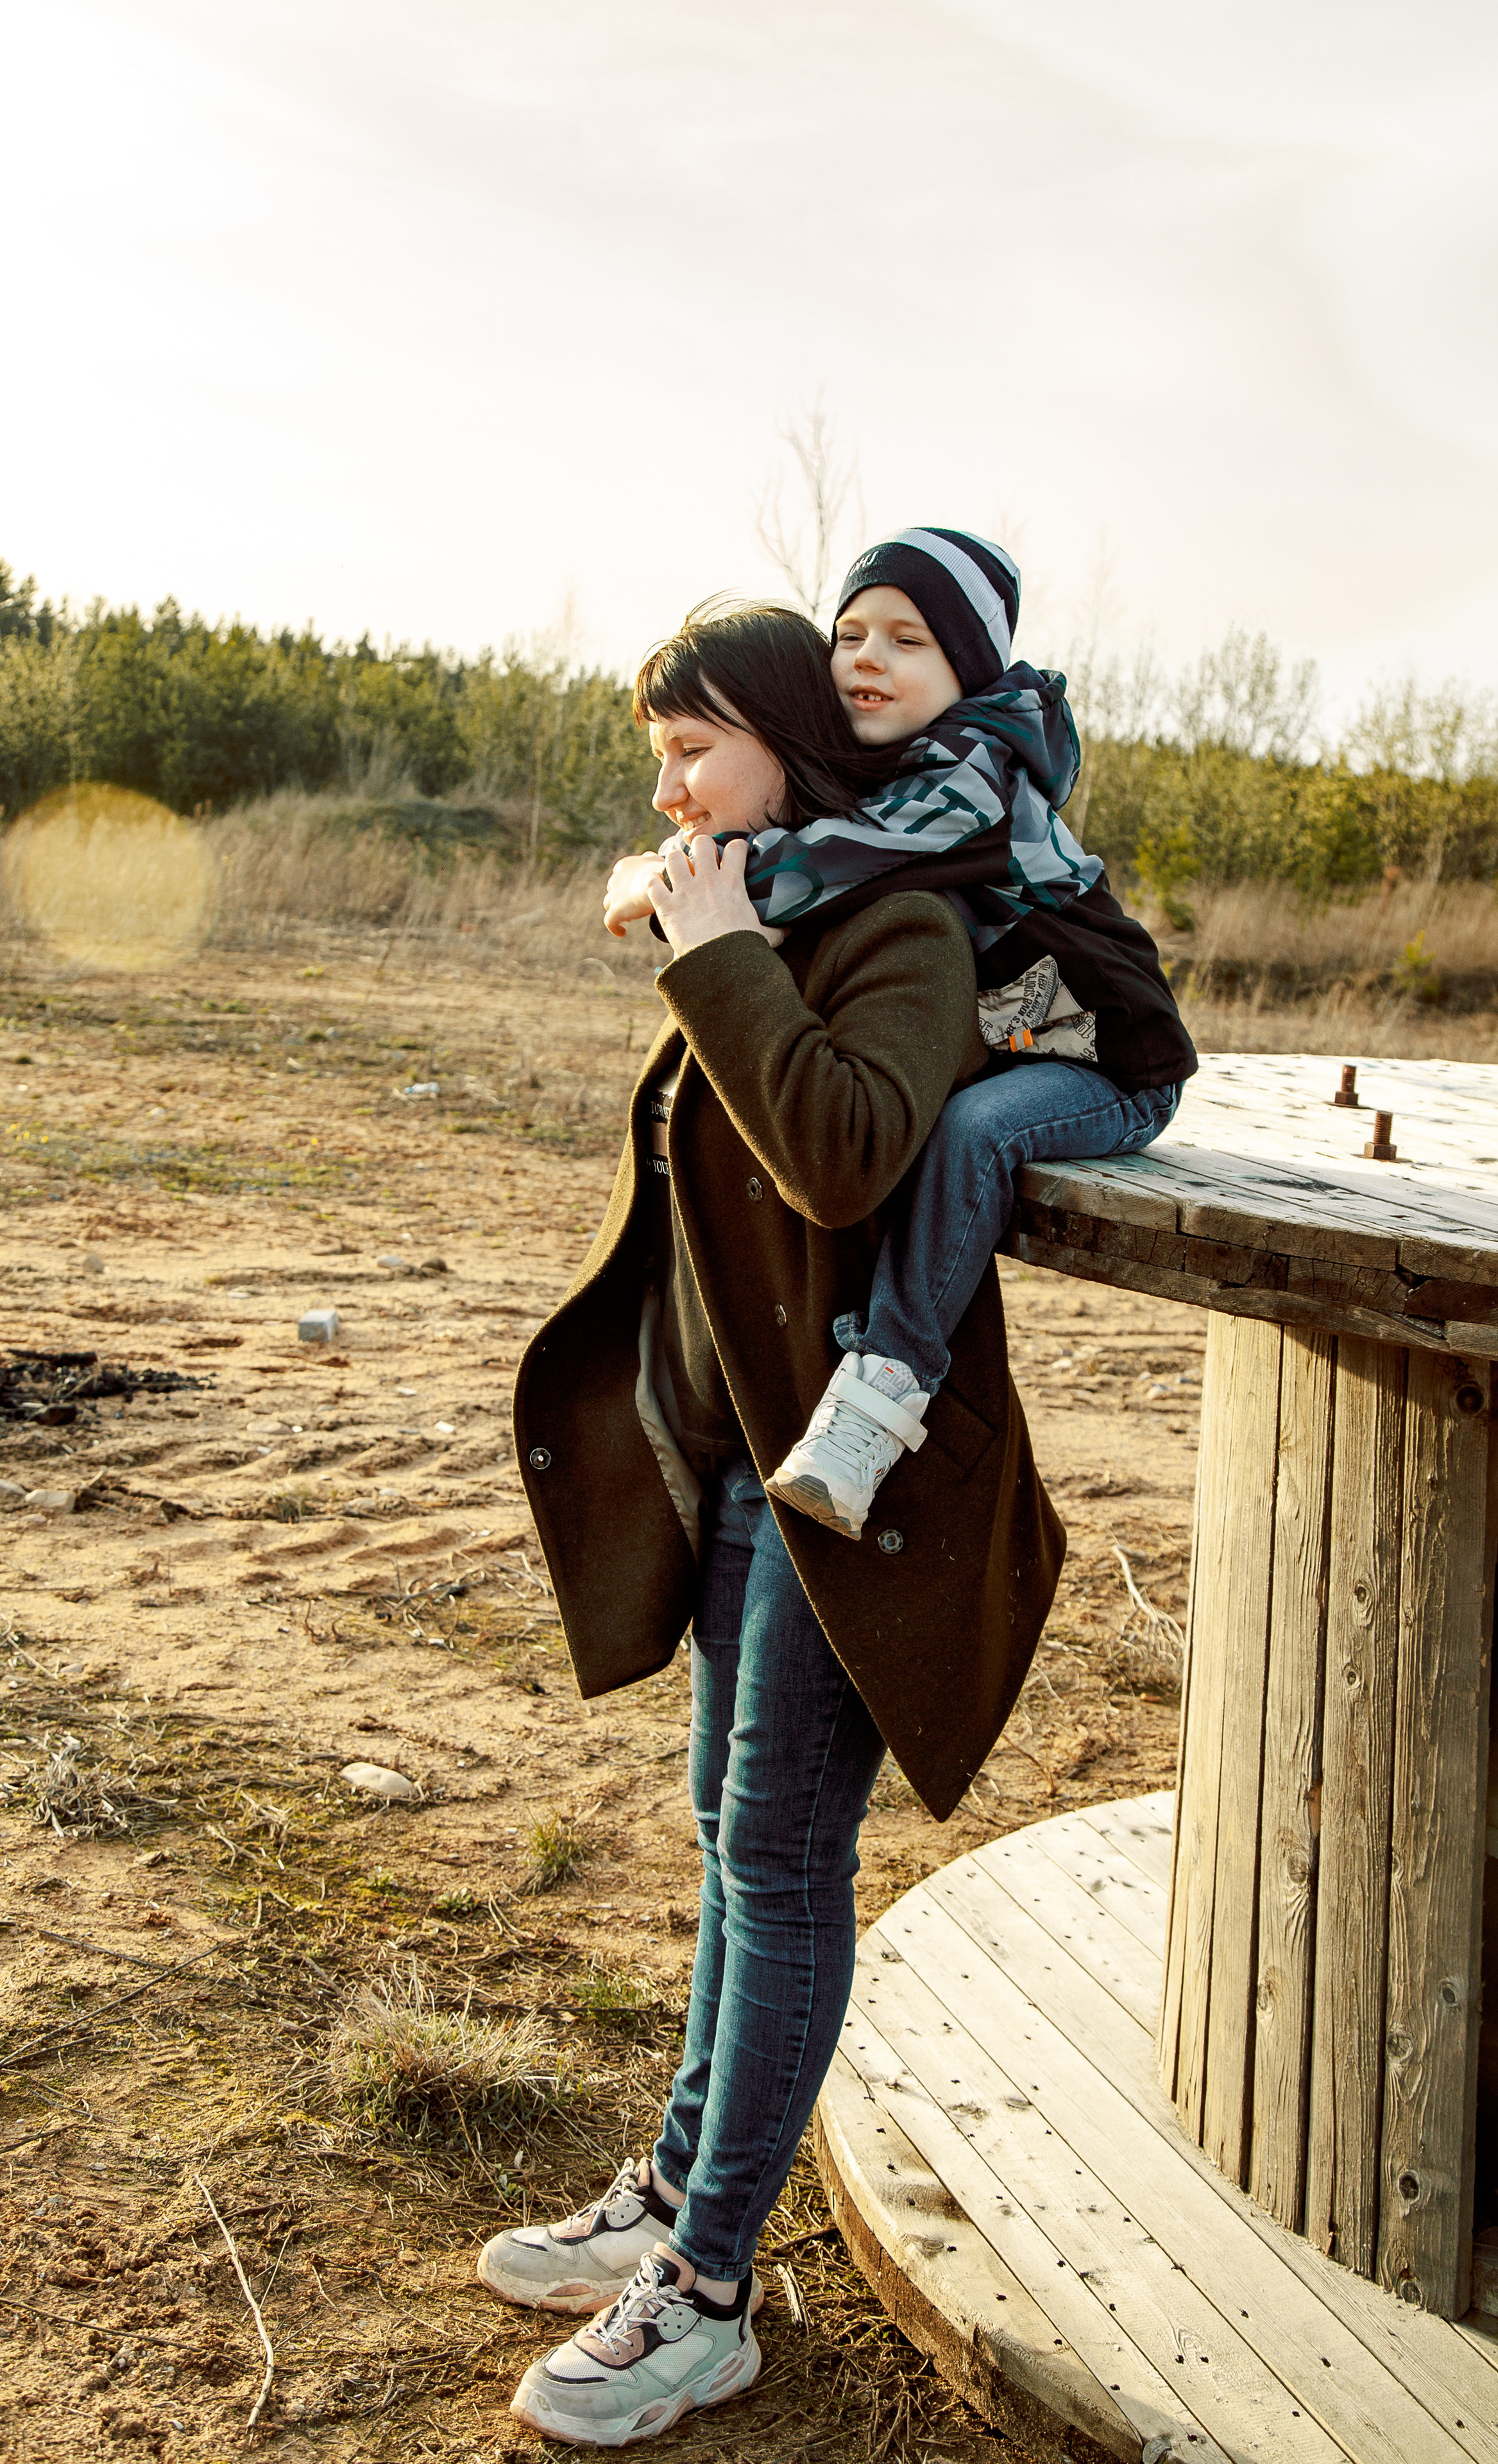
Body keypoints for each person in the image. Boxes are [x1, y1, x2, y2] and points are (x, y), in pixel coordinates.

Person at [485, 601, 1064, 2445]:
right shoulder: (788, 900)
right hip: (747, 1465)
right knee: (730, 1839)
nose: (663, 786)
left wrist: (715, 943)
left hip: (855, 1488)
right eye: (657, 752)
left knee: (782, 1861)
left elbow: (840, 1150)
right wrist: (693, 913)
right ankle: (671, 2197)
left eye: (691, 749)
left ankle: (710, 2290)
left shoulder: (898, 926)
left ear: (788, 748)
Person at [606, 529, 1196, 1540]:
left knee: (974, 1132)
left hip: (1110, 1054)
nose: (867, 658)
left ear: (968, 667)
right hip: (1028, 1027)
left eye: (908, 640)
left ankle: (880, 1399)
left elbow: (838, 862)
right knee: (964, 1116)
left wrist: (677, 891)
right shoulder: (898, 773)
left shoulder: (975, 770)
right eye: (849, 634)